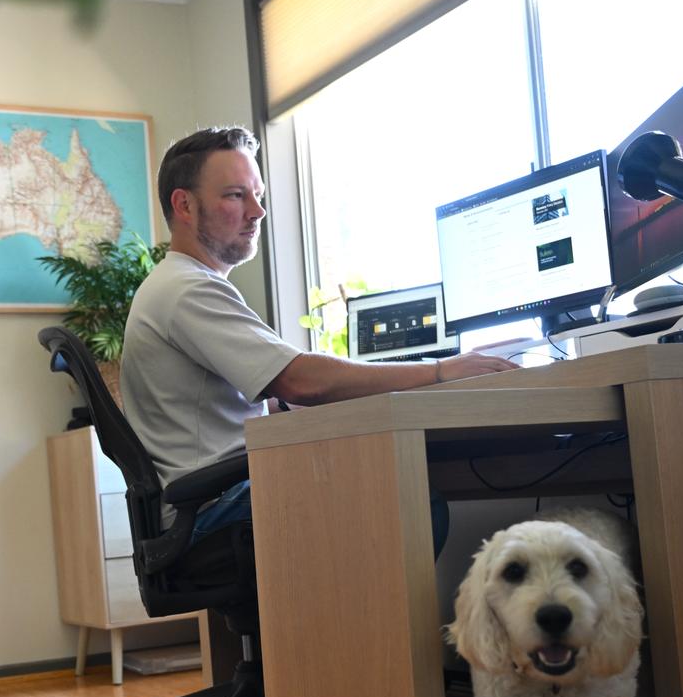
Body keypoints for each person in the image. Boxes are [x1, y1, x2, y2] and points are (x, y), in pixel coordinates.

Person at [120, 126, 517, 557]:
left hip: (209, 503)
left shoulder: (180, 283)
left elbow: (246, 403)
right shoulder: (187, 289)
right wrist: (440, 370)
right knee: (410, 501)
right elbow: (299, 381)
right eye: (236, 196)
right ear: (184, 205)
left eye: (259, 195)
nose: (258, 211)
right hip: (213, 511)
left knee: (386, 473)